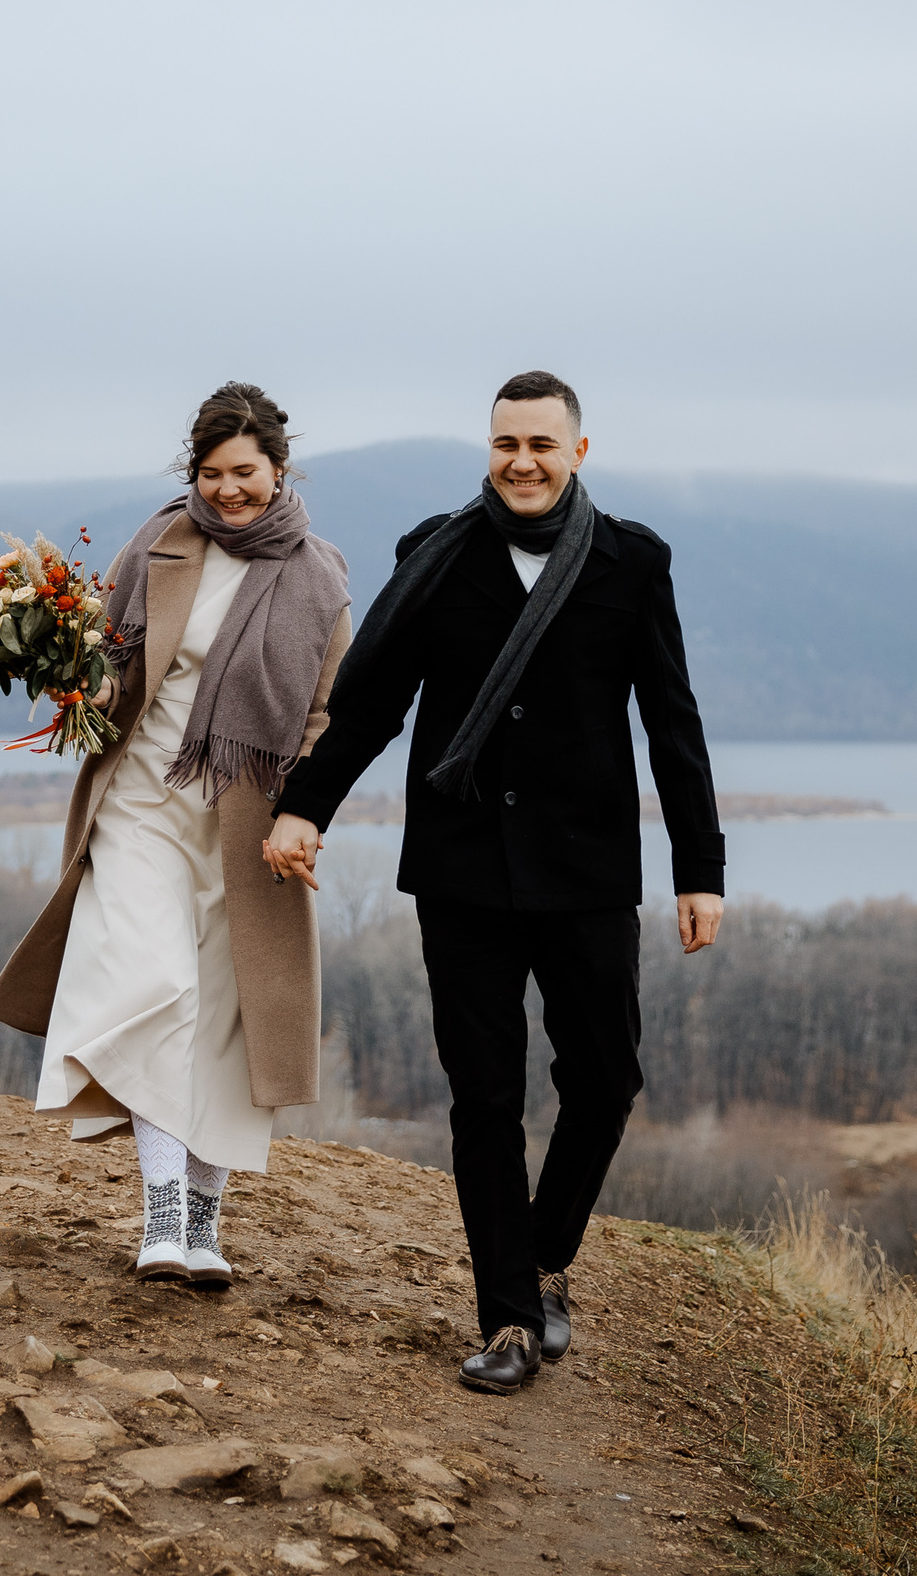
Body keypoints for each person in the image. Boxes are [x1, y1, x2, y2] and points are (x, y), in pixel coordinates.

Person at [264, 369, 725, 1392]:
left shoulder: (631, 560)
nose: (521, 461)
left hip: (588, 868)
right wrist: (304, 803)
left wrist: (702, 867)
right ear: (488, 446)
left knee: (605, 1081)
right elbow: (370, 699)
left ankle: (545, 1255)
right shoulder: (435, 553)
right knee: (482, 1098)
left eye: (541, 445)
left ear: (578, 453)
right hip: (463, 867)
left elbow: (672, 722)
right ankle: (510, 1315)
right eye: (504, 442)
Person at [0, 382, 352, 1287]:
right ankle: (158, 1217)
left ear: (280, 468)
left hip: (248, 818)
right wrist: (68, 673)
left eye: (247, 474)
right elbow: (115, 670)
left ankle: (204, 1225)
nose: (230, 491)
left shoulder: (319, 577)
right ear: (193, 472)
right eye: (213, 474)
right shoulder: (156, 544)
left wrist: (303, 812)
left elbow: (325, 715)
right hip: (145, 795)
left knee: (229, 1021)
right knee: (158, 987)